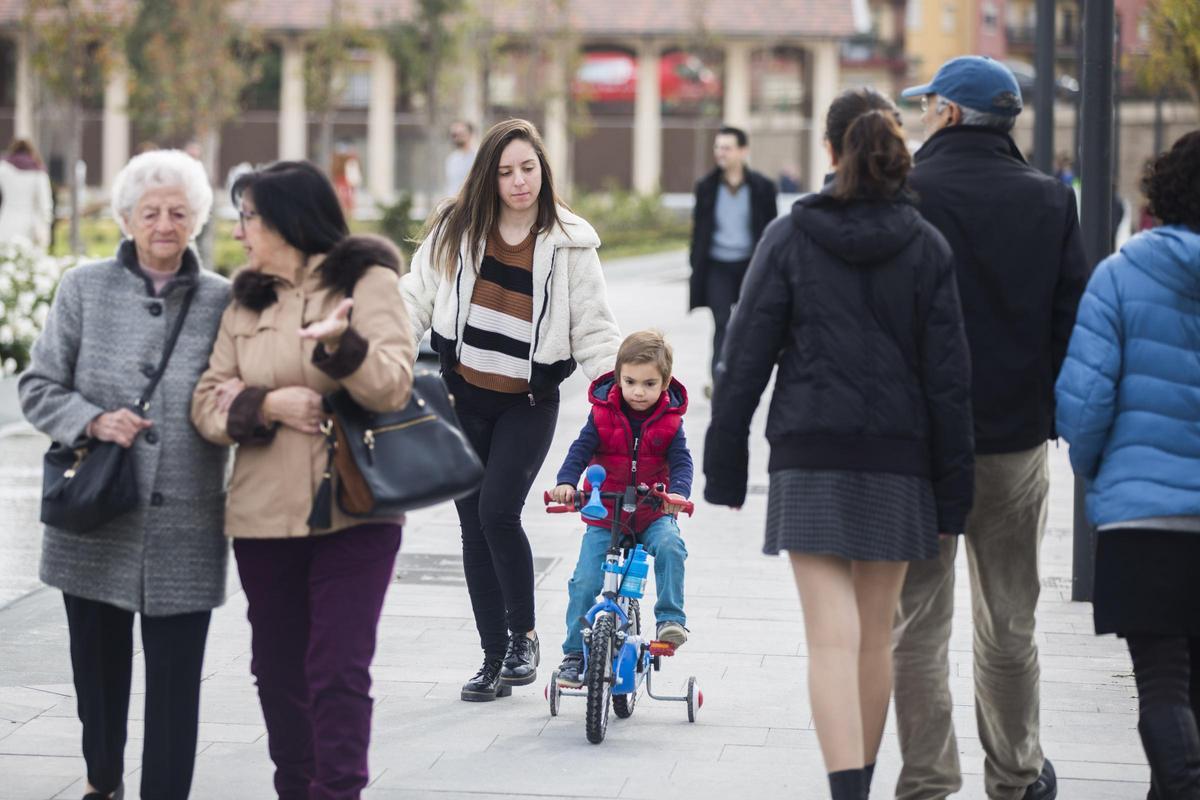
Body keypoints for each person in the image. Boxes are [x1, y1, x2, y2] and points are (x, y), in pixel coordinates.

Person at [704, 87, 975, 800]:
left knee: (830, 636)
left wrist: (724, 466)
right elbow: (950, 383)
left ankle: (845, 791)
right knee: (874, 636)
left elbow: (743, 358)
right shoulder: (926, 246)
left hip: (810, 456)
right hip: (899, 463)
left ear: (830, 149)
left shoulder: (791, 235)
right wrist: (954, 497)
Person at [892, 55, 1089, 800]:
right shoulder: (1050, 200)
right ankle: (1014, 775)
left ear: (948, 113)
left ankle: (927, 780)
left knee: (917, 622)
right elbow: (1071, 323)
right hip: (1013, 443)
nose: (919, 117)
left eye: (926, 106)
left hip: (920, 447)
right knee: (1010, 621)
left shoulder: (907, 193)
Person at [191, 161, 415, 800]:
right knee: (277, 673)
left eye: (248, 218)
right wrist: (267, 405)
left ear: (288, 221)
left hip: (355, 508)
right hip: (263, 517)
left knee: (338, 669)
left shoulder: (367, 280)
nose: (239, 232)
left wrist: (343, 348)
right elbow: (206, 403)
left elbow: (394, 385)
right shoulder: (245, 300)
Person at [18, 149, 230, 800]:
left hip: (187, 521)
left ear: (197, 219)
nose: (165, 224)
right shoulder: (83, 287)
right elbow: (37, 386)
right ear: (125, 218)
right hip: (96, 514)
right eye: (151, 211)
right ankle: (101, 781)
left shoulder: (222, 299)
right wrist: (92, 420)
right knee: (98, 675)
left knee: (175, 686)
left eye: (179, 212)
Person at [401, 118, 622, 702]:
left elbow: (594, 328)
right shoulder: (457, 229)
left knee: (498, 512)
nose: (519, 181)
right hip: (462, 395)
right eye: (505, 172)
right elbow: (414, 298)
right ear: (488, 178)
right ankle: (492, 658)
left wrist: (620, 395)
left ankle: (523, 637)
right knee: (472, 526)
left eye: (528, 168)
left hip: (527, 402)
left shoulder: (570, 242)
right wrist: (383, 354)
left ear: (543, 169)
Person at [1056, 130, 1200, 800]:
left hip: (1143, 520)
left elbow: (1084, 404)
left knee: (1162, 684)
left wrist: (1102, 474)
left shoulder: (1121, 274)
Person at [549, 330, 693, 686]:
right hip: (607, 514)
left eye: (649, 384)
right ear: (617, 378)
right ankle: (573, 653)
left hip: (652, 512)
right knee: (584, 581)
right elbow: (580, 450)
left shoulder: (671, 422)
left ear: (665, 383)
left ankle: (670, 619)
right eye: (630, 382)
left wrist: (677, 494)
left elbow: (682, 462)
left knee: (672, 546)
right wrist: (566, 482)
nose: (638, 392)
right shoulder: (602, 415)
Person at [688, 125, 777, 393]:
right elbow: (699, 230)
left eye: (726, 148)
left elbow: (771, 231)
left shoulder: (762, 187)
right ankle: (719, 379)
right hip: (718, 265)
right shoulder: (706, 187)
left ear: (743, 151)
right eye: (717, 147)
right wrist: (695, 263)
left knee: (749, 323)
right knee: (721, 321)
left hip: (751, 265)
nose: (720, 153)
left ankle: (744, 377)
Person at [0, 138, 54, 250]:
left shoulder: (3, 168)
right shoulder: (38, 170)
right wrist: (45, 226)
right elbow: (45, 203)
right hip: (29, 224)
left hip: (6, 220)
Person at [444, 120, 477, 198]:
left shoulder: (478, 156)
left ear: (470, 134)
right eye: (454, 135)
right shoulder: (451, 159)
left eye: (461, 133)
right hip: (454, 201)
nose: (457, 137)